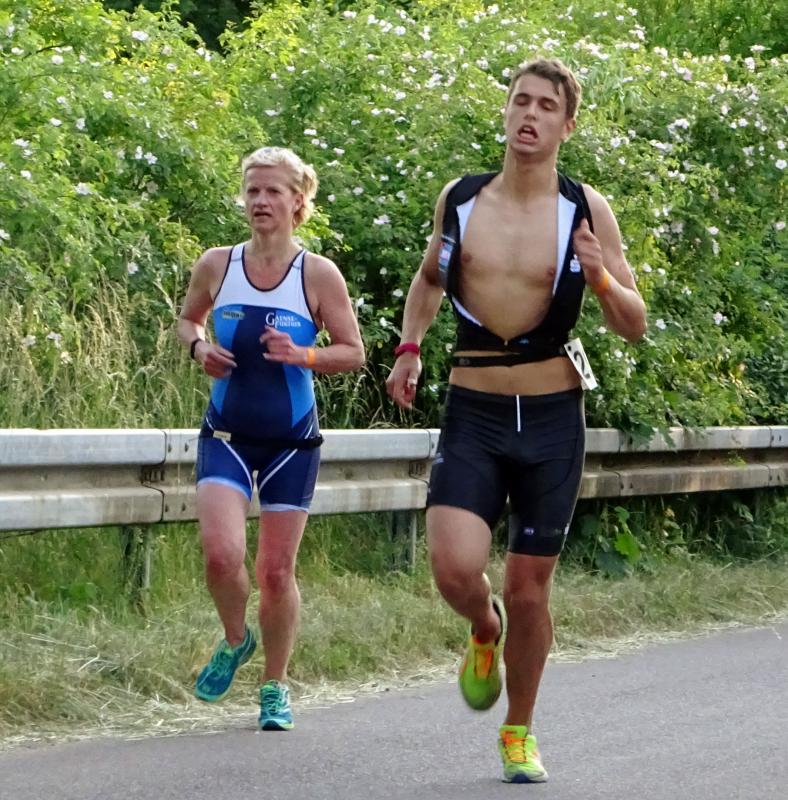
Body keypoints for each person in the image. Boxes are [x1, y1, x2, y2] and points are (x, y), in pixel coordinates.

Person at [386, 58, 647, 782]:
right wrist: (409, 348)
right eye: (519, 101)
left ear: (568, 125)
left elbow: (633, 322)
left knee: (531, 588)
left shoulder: (585, 209)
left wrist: (599, 276)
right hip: (474, 409)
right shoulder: (461, 198)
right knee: (453, 568)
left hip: (553, 417)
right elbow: (429, 278)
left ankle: (519, 730)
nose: (529, 115)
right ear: (505, 112)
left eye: (545, 106)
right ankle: (483, 626)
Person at [177, 146, 364, 730]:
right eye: (252, 190)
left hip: (291, 443)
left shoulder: (317, 274)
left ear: (297, 202)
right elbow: (187, 319)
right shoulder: (218, 264)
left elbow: (353, 352)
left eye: (273, 191)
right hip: (226, 435)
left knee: (276, 573)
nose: (260, 201)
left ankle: (275, 687)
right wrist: (199, 349)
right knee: (221, 555)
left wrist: (305, 354)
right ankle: (237, 640)